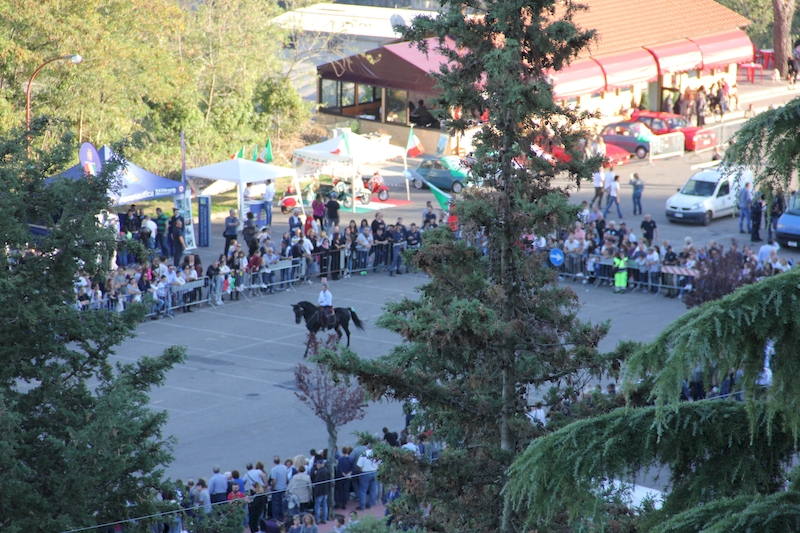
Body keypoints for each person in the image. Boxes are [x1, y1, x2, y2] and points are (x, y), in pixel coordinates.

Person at [311, 457, 331, 524]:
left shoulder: (319, 472)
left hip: (319, 492)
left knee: (317, 506)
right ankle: (324, 519)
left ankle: (317, 520)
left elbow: (316, 482)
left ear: (319, 464)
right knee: (325, 505)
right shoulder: (326, 470)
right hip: (325, 491)